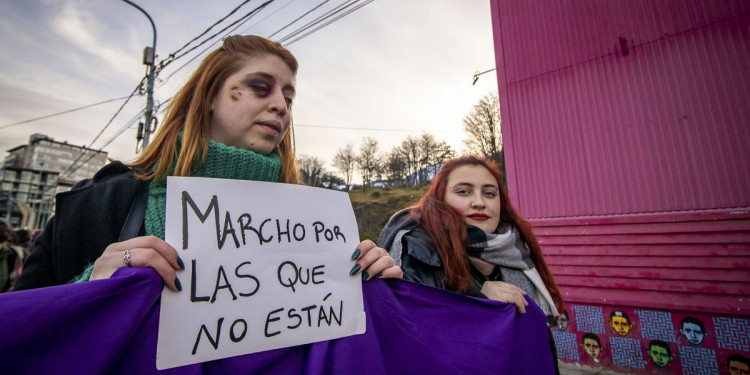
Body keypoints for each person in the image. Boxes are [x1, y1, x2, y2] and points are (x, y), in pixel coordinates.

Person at [14, 35, 401, 292]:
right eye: (259, 87)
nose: (281, 106)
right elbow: (19, 332)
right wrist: (90, 287)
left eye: (288, 96)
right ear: (210, 97)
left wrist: (371, 282)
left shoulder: (310, 224)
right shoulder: (96, 203)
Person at [378, 156, 563, 371]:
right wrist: (478, 301)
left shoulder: (516, 250)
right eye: (463, 191)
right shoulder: (416, 247)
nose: (479, 202)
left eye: (489, 193)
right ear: (440, 199)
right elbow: (413, 342)